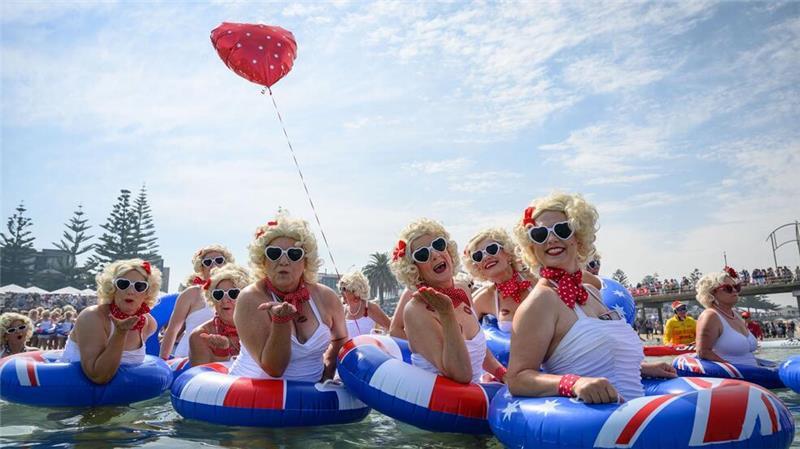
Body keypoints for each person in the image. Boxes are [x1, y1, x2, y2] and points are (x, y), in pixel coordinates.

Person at [506, 193, 675, 403]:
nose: (551, 239)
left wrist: (642, 368)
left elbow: (597, 359)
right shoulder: (540, 302)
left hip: (635, 417)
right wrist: (574, 383)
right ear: (532, 246)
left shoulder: (592, 292)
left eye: (562, 229)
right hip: (598, 428)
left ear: (578, 236)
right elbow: (517, 379)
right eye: (539, 234)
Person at [230, 214, 347, 382]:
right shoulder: (250, 299)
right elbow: (274, 368)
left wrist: (328, 371)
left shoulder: (326, 297)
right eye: (274, 253)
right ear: (263, 261)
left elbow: (341, 338)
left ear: (306, 262)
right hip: (252, 400)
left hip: (314, 400)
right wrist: (281, 322)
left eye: (293, 254)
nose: (283, 261)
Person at [388, 218, 506, 384]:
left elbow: (479, 349)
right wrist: (446, 313)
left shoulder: (462, 290)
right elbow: (461, 374)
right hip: (443, 406)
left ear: (448, 250)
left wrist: (503, 374)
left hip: (479, 396)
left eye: (438, 245)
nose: (435, 255)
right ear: (414, 268)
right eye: (423, 254)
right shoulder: (416, 310)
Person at [59, 259, 160, 384]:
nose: (131, 291)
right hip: (70, 395)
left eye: (139, 286)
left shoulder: (148, 324)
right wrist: (120, 333)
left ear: (147, 293)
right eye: (123, 284)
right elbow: (98, 376)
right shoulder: (93, 317)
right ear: (112, 288)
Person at [160, 244, 234, 359]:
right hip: (188, 358)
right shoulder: (191, 294)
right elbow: (173, 329)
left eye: (219, 260)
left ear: (227, 264)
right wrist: (163, 360)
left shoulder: (237, 292)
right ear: (201, 268)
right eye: (208, 262)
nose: (214, 265)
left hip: (225, 359)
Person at [461, 227, 537, 332]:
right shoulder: (483, 298)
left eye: (491, 249)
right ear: (477, 267)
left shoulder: (537, 278)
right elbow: (462, 332)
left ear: (507, 252)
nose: (486, 257)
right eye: (478, 256)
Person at [188, 264, 250, 366]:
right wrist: (221, 354)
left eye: (233, 293)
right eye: (218, 294)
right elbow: (202, 378)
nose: (225, 300)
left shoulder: (260, 327)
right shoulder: (201, 336)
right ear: (212, 299)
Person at [695, 267, 757, 367]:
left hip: (757, 375)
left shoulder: (735, 314)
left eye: (736, 287)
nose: (734, 290)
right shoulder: (710, 316)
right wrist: (733, 369)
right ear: (711, 293)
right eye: (727, 288)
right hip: (734, 378)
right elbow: (703, 352)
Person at [338, 270, 391, 337]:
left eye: (344, 289)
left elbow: (392, 328)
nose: (341, 292)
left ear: (356, 291)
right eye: (340, 288)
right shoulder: (342, 310)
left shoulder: (370, 308)